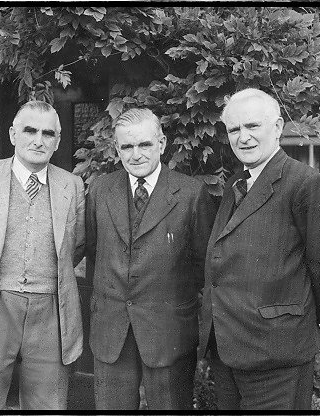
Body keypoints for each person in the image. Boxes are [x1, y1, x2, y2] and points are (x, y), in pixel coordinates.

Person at [199, 88, 320, 410]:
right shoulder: (237, 185)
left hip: (277, 353)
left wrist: (297, 318)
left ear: (278, 127)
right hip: (229, 349)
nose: (243, 137)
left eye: (252, 126)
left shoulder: (304, 184)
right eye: (234, 129)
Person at [0, 101, 85, 410]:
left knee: (47, 405)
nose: (39, 140)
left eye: (48, 133)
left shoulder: (72, 185)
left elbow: (77, 246)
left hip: (51, 311)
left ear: (58, 141)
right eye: (30, 131)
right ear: (12, 135)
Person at [86, 108, 216, 410]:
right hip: (111, 332)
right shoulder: (101, 190)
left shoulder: (190, 193)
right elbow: (95, 251)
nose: (136, 154)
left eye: (144, 144)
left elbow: (203, 268)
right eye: (127, 146)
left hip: (168, 332)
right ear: (117, 148)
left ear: (161, 143)